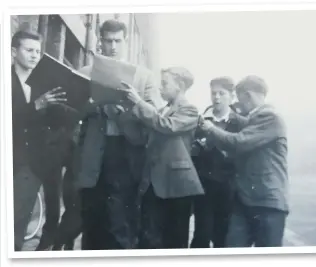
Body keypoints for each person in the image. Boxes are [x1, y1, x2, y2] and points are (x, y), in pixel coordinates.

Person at [72, 19, 161, 250]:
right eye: (108, 40)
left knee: (122, 223)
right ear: (100, 41)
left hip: (127, 153)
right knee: (92, 221)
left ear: (126, 41)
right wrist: (93, 105)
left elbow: (155, 116)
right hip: (94, 155)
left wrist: (133, 104)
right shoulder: (85, 73)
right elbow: (72, 111)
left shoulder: (143, 76)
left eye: (117, 41)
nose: (112, 46)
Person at [199, 75, 289, 247]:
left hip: (267, 202)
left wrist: (210, 128)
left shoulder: (270, 117)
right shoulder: (254, 119)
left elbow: (239, 142)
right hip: (246, 200)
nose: (237, 106)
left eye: (239, 100)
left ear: (247, 96)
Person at [120, 67, 204, 249]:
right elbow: (143, 136)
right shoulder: (162, 110)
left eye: (165, 83)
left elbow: (167, 126)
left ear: (180, 86)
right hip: (155, 183)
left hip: (177, 186)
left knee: (175, 241)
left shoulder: (190, 110)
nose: (160, 87)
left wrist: (139, 103)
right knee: (149, 238)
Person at [11, 30, 69, 251]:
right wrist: (37, 105)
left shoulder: (45, 82)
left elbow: (58, 120)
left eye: (38, 51)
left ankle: (44, 248)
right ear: (13, 51)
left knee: (48, 208)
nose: (35, 56)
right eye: (29, 50)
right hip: (16, 156)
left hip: (45, 156)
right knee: (16, 216)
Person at [190, 77, 246, 248]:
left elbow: (243, 151)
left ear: (232, 97)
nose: (217, 97)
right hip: (204, 186)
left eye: (222, 93)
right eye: (213, 93)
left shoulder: (240, 122)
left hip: (228, 188)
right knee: (202, 234)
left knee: (223, 236)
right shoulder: (200, 120)